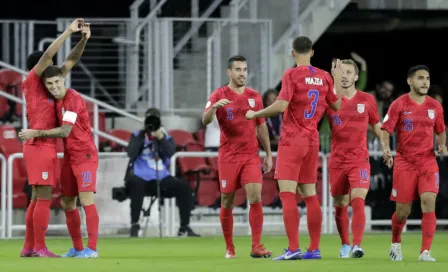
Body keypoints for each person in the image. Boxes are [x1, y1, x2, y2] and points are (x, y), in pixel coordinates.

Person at [246, 36, 342, 260]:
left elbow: (281, 106)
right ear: (312, 52)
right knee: (310, 195)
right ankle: (314, 249)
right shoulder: (324, 76)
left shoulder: (291, 74)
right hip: (312, 140)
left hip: (292, 139)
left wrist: (256, 114)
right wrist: (335, 81)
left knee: (287, 194)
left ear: (292, 53)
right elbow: (336, 105)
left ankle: (293, 248)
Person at [19, 53, 101, 258]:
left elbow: (64, 131)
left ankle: (91, 249)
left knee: (86, 200)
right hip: (68, 156)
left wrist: (81, 37)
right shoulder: (51, 94)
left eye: (57, 81)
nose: (54, 85)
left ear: (62, 79)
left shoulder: (71, 98)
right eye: (50, 83)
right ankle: (77, 248)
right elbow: (67, 63)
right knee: (66, 202)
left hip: (85, 155)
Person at [202, 55, 273, 259]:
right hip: (228, 157)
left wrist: (268, 154)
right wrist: (215, 108)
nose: (242, 73)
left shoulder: (255, 97)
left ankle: (256, 246)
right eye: (238, 70)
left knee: (255, 196)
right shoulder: (218, 94)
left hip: (250, 155)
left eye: (245, 69)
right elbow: (205, 119)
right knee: (227, 200)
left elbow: (261, 127)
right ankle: (230, 247)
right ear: (229, 72)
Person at [381, 65, 447, 262]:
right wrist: (386, 149)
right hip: (404, 163)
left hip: (427, 162)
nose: (425, 81)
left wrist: (442, 145)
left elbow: (440, 130)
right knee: (402, 212)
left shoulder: (435, 106)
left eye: (427, 78)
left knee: (429, 201)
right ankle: (395, 244)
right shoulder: (398, 104)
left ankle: (425, 251)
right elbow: (385, 129)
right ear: (410, 81)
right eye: (420, 78)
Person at [326, 59, 382, 258]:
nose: (345, 76)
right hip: (337, 160)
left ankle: (357, 245)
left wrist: (385, 148)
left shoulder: (367, 100)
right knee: (340, 203)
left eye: (349, 72)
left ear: (356, 76)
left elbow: (376, 125)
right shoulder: (329, 100)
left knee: (358, 199)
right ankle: (345, 244)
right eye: (342, 72)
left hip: (359, 159)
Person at [125, 108, 200, 237]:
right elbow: (131, 154)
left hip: (162, 178)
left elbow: (171, 154)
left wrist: (161, 138)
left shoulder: (166, 137)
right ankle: (134, 225)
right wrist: (143, 136)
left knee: (184, 187)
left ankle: (184, 227)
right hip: (141, 177)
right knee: (136, 184)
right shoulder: (137, 135)